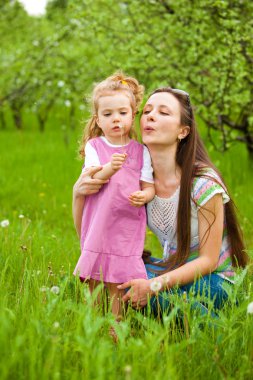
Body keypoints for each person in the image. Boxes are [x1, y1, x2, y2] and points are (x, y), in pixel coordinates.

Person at [73, 85, 248, 317]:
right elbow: (91, 229)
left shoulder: (203, 183)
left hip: (216, 281)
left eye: (163, 112)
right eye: (147, 111)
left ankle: (208, 323)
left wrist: (153, 285)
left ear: (183, 131)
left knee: (134, 289)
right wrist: (78, 193)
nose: (151, 116)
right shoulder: (141, 179)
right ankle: (180, 309)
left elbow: (208, 261)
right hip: (173, 270)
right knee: (115, 275)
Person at [73, 73, 155, 319]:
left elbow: (148, 185)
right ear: (98, 119)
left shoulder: (141, 151)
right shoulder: (95, 147)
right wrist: (111, 167)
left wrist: (145, 195)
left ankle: (116, 323)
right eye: (108, 115)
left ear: (132, 115)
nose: (115, 119)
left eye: (122, 113)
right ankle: (93, 320)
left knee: (118, 278)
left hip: (126, 224)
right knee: (96, 275)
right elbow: (92, 179)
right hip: (99, 222)